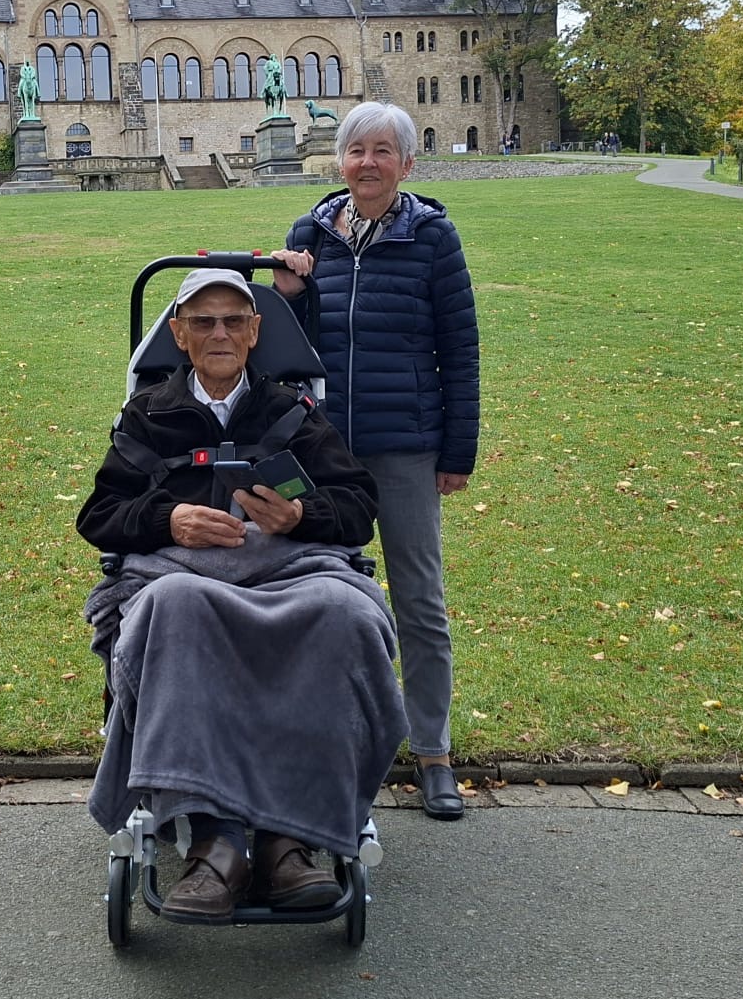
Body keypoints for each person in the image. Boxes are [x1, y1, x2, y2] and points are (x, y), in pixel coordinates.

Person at [78, 268, 403, 923]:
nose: (219, 333)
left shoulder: (293, 412)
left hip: (292, 572)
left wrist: (302, 514)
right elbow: (99, 515)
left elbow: (358, 506)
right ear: (179, 334)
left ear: (255, 332)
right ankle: (215, 842)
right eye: (203, 322)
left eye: (233, 321)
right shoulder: (149, 415)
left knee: (342, 612)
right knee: (174, 607)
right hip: (185, 578)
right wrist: (167, 519)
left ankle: (289, 841)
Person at [269, 102, 480, 821]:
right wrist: (289, 295)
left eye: (383, 151)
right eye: (357, 150)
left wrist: (458, 450)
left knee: (418, 601)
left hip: (406, 444)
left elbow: (460, 349)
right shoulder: (309, 235)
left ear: (407, 164)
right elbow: (287, 351)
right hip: (324, 450)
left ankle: (433, 753)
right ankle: (326, 742)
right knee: (317, 596)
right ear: (340, 160)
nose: (368, 163)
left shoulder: (432, 237)